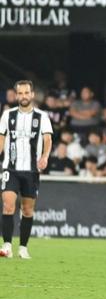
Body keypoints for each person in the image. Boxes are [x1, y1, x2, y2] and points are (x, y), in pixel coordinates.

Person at [0, 80, 53, 259]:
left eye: (26, 93)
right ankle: (6, 245)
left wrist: (45, 156)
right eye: (20, 93)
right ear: (16, 95)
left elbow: (48, 139)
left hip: (31, 170)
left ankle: (23, 247)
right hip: (11, 168)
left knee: (27, 209)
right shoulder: (7, 115)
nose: (23, 96)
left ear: (32, 94)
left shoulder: (42, 116)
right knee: (8, 205)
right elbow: (1, 138)